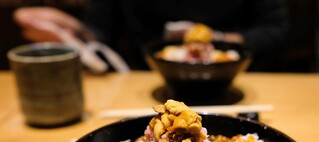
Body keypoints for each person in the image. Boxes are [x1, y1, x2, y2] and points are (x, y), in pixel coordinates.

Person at [14, 0, 287, 71]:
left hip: (238, 76)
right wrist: (70, 32)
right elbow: (100, 32)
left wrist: (215, 37)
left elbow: (276, 31)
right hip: (147, 80)